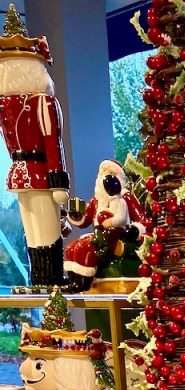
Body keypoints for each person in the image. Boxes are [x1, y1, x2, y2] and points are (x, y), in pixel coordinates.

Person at [0, 6, 69, 287]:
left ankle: (45, 276)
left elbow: (47, 141)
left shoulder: (24, 104)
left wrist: (57, 181)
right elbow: (49, 142)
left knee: (39, 227)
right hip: (30, 171)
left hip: (30, 171)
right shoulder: (26, 103)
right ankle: (43, 276)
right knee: (38, 227)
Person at [63, 159, 149, 292]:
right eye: (103, 173)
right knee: (70, 248)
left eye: (111, 173)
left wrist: (135, 230)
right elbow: (85, 220)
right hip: (98, 234)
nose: (106, 177)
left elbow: (141, 218)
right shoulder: (97, 200)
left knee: (82, 248)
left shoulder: (124, 197)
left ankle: (82, 283)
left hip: (115, 235)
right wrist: (77, 215)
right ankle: (74, 281)